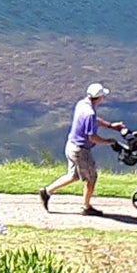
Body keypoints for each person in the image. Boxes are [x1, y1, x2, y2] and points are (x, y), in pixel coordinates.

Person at [39, 83, 124, 216]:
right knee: (92, 178)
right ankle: (86, 206)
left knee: (74, 176)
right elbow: (92, 137)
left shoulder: (82, 104)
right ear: (99, 98)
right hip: (80, 151)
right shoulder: (90, 113)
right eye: (103, 96)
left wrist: (110, 126)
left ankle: (46, 192)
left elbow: (94, 120)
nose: (104, 99)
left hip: (71, 145)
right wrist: (109, 142)